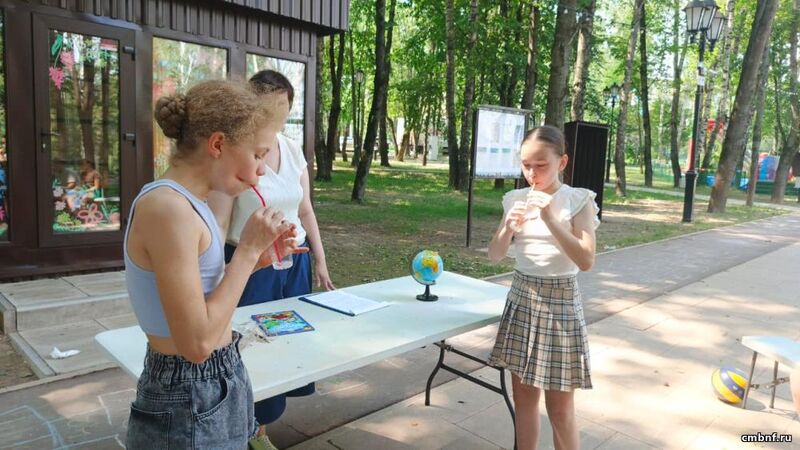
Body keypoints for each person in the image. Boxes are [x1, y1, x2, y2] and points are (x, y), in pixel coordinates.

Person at [124, 79, 306, 449]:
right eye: (257, 155)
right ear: (218, 144)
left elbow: (203, 294)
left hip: (212, 384)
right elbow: (197, 343)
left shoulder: (194, 203)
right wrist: (247, 251)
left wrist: (257, 261)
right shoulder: (168, 209)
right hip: (187, 394)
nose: (261, 171)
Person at [209, 70, 334, 439]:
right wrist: (217, 270)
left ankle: (260, 429)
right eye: (269, 104)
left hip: (294, 261)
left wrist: (320, 259)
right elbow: (220, 221)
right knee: (250, 344)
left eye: (283, 105)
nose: (277, 113)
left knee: (288, 340)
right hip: (252, 263)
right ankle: (247, 428)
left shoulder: (293, 150)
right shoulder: (238, 150)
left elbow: (305, 209)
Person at [487, 125, 599, 450]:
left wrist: (550, 218)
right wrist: (508, 229)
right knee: (523, 401)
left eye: (541, 165)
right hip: (523, 298)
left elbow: (586, 260)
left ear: (562, 162)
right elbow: (494, 256)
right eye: (526, 165)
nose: (532, 173)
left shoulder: (578, 200)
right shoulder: (514, 199)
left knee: (560, 410)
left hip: (561, 304)